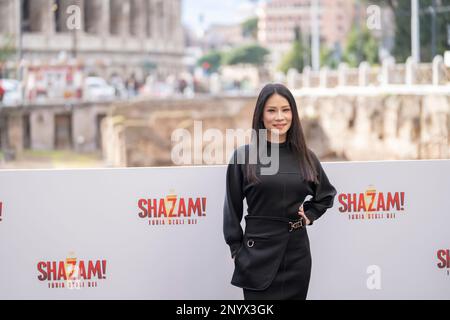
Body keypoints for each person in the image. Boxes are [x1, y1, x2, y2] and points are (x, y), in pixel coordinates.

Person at [223, 83, 337, 300]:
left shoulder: (306, 156)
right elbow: (231, 209)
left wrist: (310, 215)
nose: (280, 117)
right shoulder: (243, 157)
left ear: (293, 113)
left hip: (297, 255)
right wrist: (236, 250)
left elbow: (326, 194)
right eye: (272, 110)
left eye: (285, 110)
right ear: (261, 115)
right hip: (256, 255)